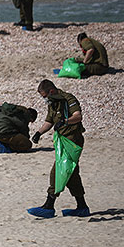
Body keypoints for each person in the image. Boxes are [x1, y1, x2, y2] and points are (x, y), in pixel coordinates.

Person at [27, 80, 89, 218]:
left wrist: (65, 121)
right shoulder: (53, 103)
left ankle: (49, 206)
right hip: (62, 140)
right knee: (71, 173)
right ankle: (82, 207)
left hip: (73, 140)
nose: (44, 99)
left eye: (44, 96)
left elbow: (77, 116)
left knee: (59, 170)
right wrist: (39, 133)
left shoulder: (68, 99)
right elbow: (49, 121)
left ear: (52, 92)